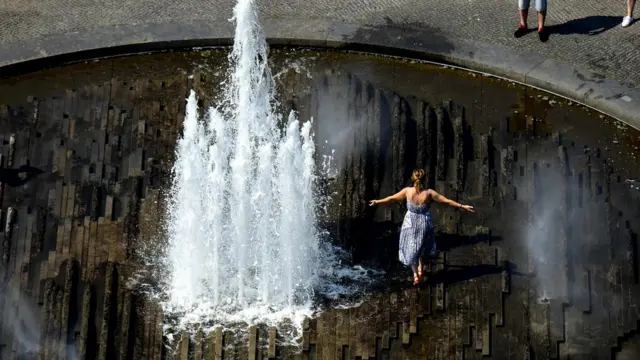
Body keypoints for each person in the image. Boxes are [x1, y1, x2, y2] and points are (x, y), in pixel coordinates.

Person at [368, 169, 474, 285]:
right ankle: (421, 268)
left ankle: (415, 275)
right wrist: (462, 206)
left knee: (411, 247)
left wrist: (377, 202)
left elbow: (392, 198)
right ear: (424, 179)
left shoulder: (408, 191)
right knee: (422, 246)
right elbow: (446, 201)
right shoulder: (429, 193)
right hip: (424, 223)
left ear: (412, 179)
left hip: (410, 224)